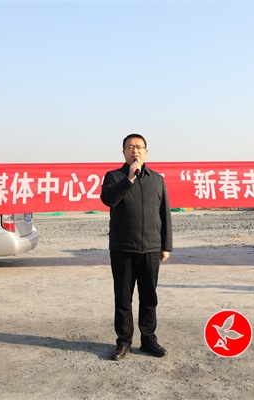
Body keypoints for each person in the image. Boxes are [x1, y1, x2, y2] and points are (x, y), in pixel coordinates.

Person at [100, 133, 173, 361]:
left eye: (139, 147)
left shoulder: (157, 179)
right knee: (123, 299)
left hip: (151, 249)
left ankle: (149, 340)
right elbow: (109, 199)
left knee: (149, 298)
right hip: (123, 249)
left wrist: (166, 245)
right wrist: (129, 179)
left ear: (146, 152)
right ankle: (124, 343)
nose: (135, 150)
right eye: (130, 147)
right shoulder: (113, 177)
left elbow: (165, 214)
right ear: (123, 152)